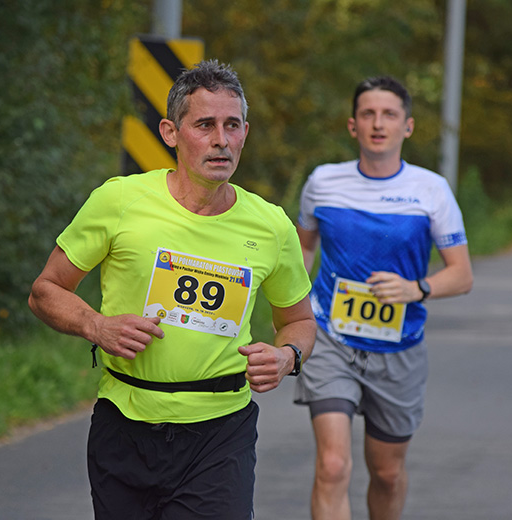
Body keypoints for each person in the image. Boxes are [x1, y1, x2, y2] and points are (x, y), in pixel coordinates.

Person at [28, 59, 316, 520]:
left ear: (245, 132)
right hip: (124, 422)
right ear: (170, 132)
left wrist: (288, 357)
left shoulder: (271, 225)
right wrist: (96, 325)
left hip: (221, 431)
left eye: (232, 125)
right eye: (205, 125)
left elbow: (299, 321)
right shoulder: (120, 201)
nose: (221, 140)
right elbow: (45, 290)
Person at [293, 75, 474, 520]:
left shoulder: (430, 189)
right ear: (353, 125)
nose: (378, 123)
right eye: (368, 114)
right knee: (333, 465)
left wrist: (417, 289)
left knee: (387, 472)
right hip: (331, 339)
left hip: (399, 346)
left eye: (389, 114)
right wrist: (290, 306)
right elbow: (302, 252)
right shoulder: (322, 182)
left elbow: (462, 275)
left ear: (406, 127)